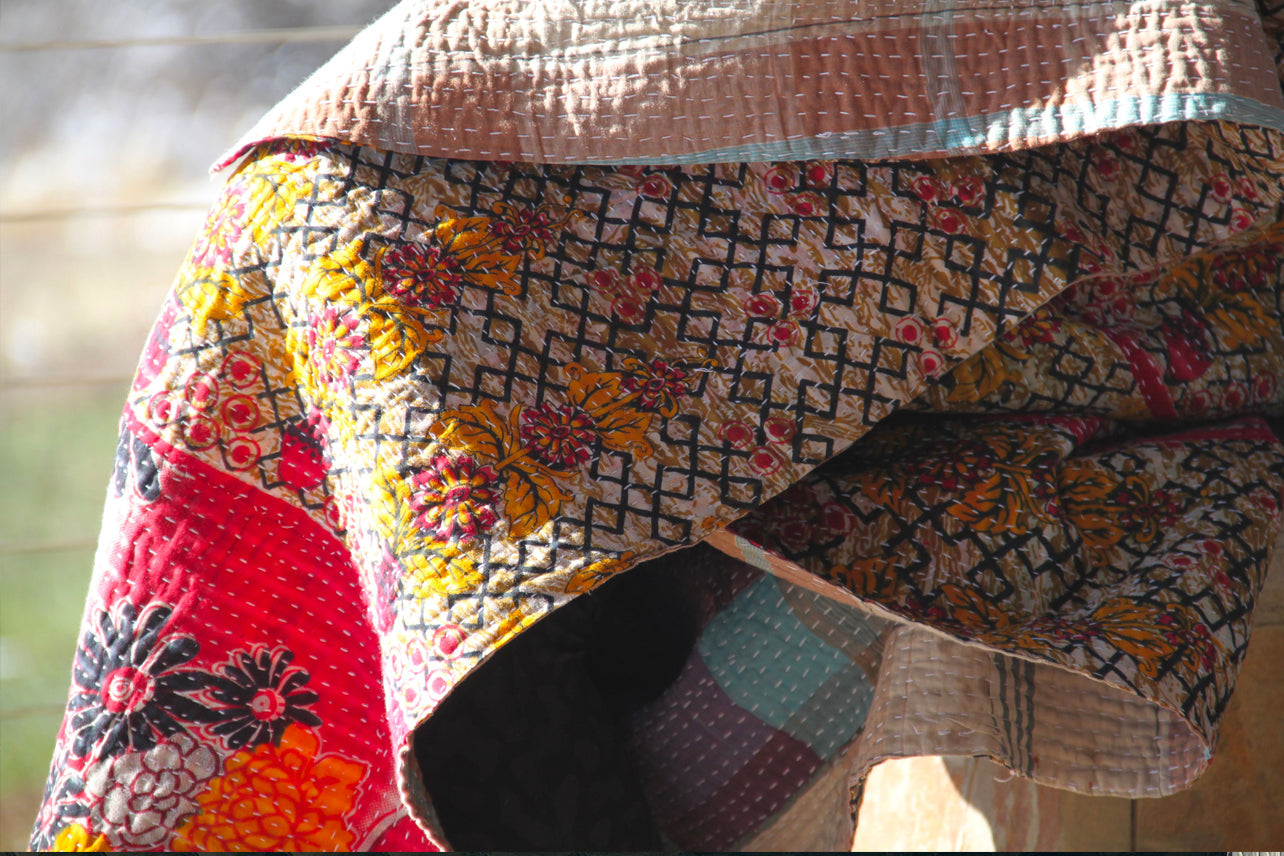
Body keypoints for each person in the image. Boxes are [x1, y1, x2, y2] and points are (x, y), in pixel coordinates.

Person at [32, 0, 1284, 850]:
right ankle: (546, 683)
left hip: (1109, 155)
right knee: (321, 214)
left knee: (341, 211)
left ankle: (538, 730)